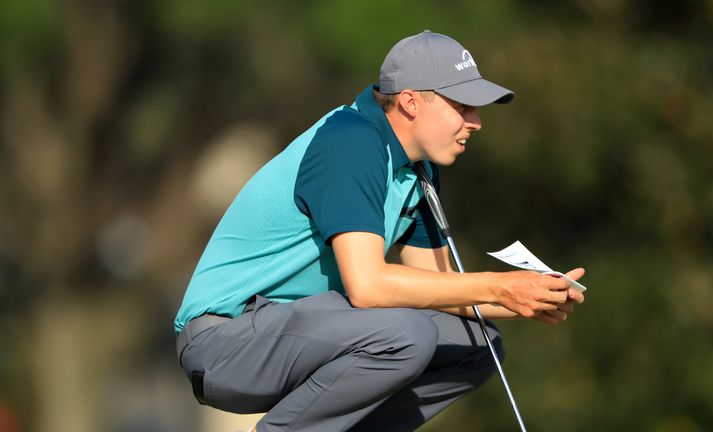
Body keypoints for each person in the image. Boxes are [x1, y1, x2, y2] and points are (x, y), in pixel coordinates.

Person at [174, 30, 586, 432]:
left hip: (293, 334)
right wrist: (500, 288)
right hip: (224, 344)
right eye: (463, 107)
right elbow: (368, 287)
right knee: (408, 334)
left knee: (477, 345)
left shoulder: (417, 170)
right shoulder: (350, 143)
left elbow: (442, 288)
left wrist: (533, 294)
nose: (476, 122)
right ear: (410, 102)